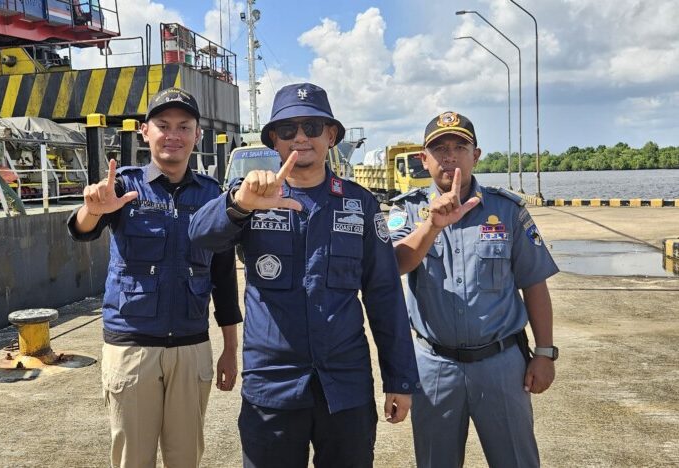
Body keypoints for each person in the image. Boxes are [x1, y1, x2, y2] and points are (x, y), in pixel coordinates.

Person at [188, 83, 419, 468]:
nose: (301, 137)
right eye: (288, 129)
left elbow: (384, 295)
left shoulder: (359, 203)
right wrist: (240, 205)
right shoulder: (247, 197)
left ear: (331, 136)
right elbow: (198, 235)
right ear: (274, 141)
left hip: (345, 386)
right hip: (273, 388)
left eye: (312, 127)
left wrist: (399, 379)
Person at [66, 87, 242, 468]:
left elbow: (224, 279)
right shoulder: (124, 187)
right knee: (132, 459)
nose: (173, 135)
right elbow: (83, 230)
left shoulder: (214, 197)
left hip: (191, 348)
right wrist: (93, 209)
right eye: (163, 125)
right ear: (145, 131)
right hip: (132, 348)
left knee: (186, 458)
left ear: (197, 135)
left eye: (184, 126)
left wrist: (230, 349)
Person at [388, 111, 559, 467]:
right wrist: (431, 226)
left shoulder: (507, 210)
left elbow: (534, 282)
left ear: (475, 155)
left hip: (500, 365)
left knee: (516, 460)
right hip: (434, 367)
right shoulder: (407, 211)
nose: (449, 156)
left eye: (459, 147)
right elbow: (393, 266)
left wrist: (544, 352)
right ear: (424, 159)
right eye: (439, 149)